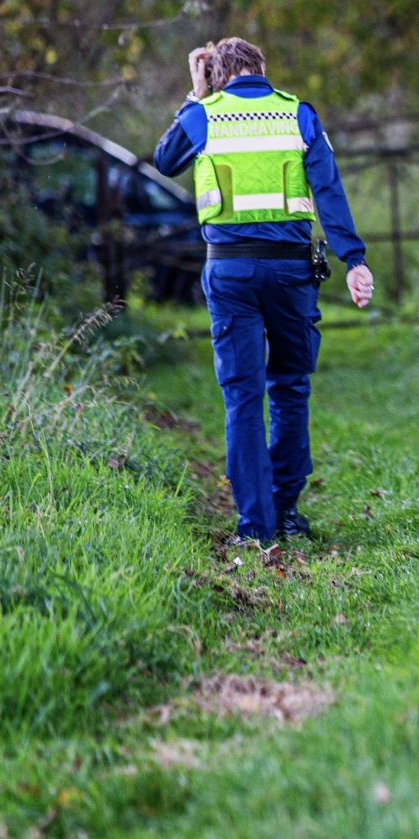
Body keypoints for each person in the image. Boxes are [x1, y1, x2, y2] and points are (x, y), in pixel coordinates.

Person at [154, 37, 373, 546]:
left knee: (243, 399)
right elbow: (328, 190)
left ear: (215, 74)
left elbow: (165, 160)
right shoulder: (297, 114)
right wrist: (354, 259)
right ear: (263, 68)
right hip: (291, 274)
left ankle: (255, 527)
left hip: (229, 275)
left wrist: (194, 94)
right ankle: (288, 509)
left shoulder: (205, 115)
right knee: (291, 388)